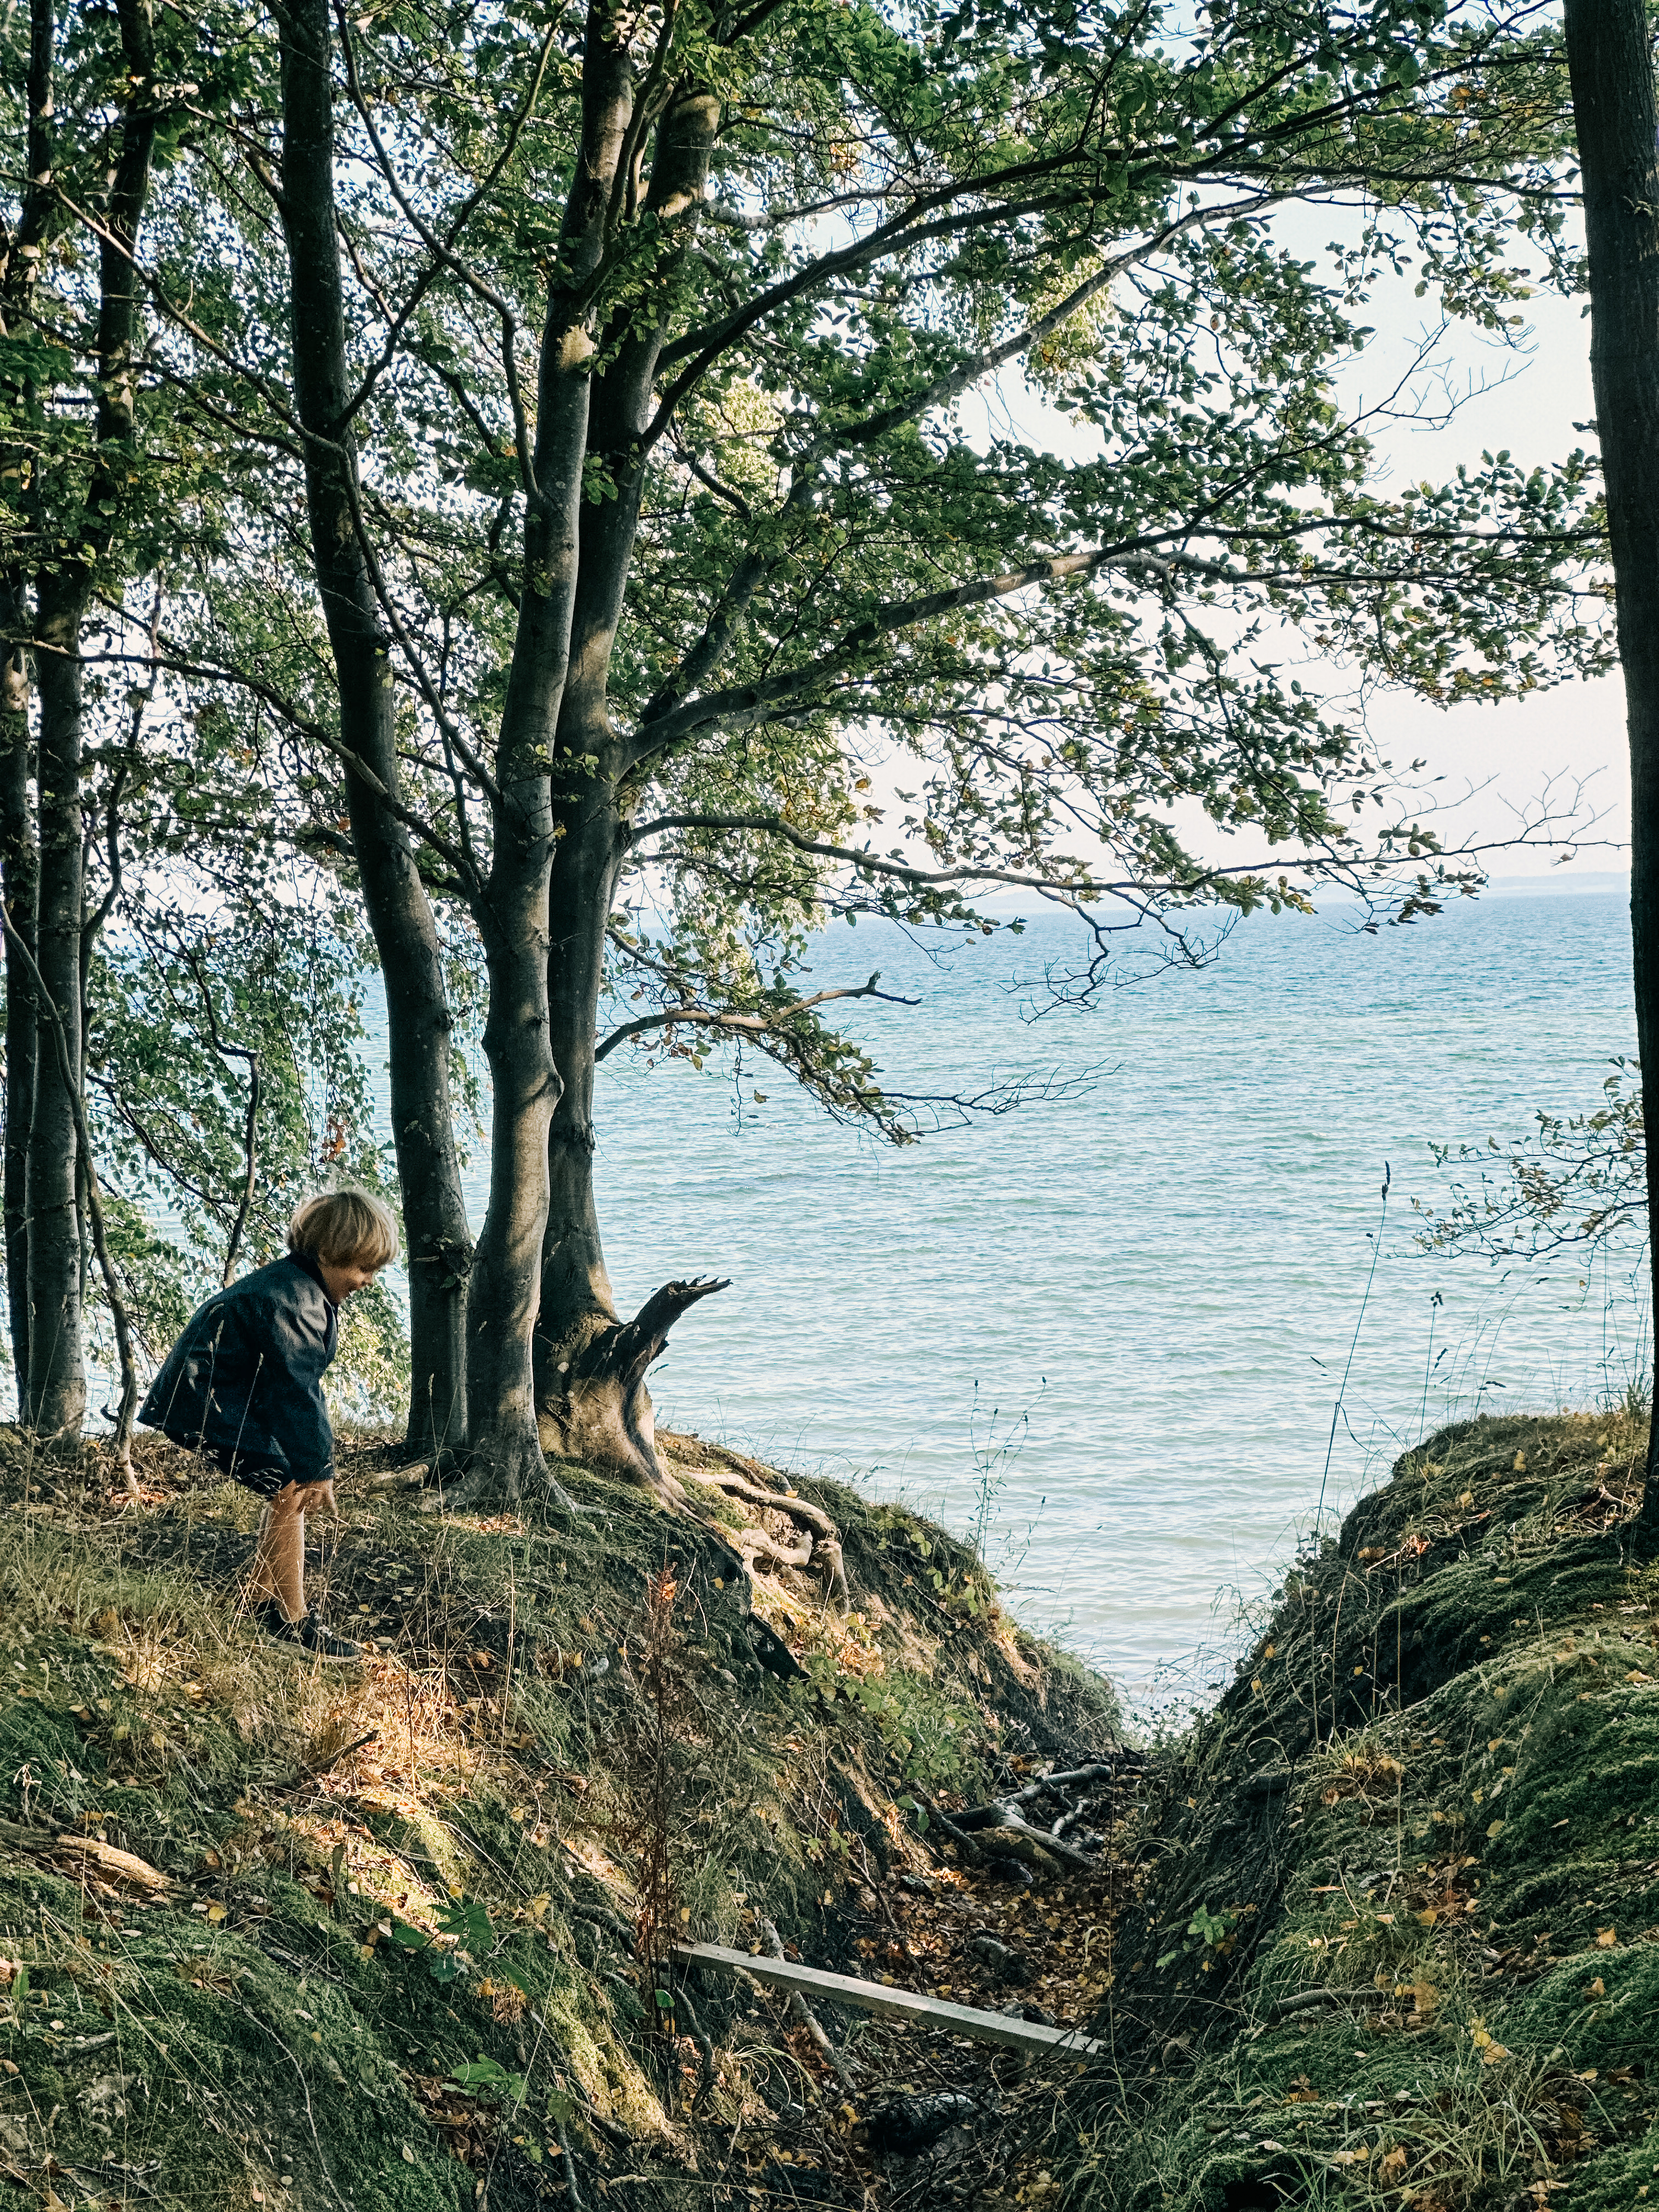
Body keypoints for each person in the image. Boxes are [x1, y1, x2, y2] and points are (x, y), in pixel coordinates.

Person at [139, 1188, 398, 1661]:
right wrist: (317, 1466)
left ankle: (257, 1602)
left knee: (284, 1485)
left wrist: (310, 1459)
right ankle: (295, 1622)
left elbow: (289, 1385)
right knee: (289, 1489)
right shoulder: (293, 1302)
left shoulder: (299, 1288)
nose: (366, 1281)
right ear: (324, 1254)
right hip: (204, 1405)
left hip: (221, 1399)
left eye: (374, 1270)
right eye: (359, 1267)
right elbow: (296, 1391)